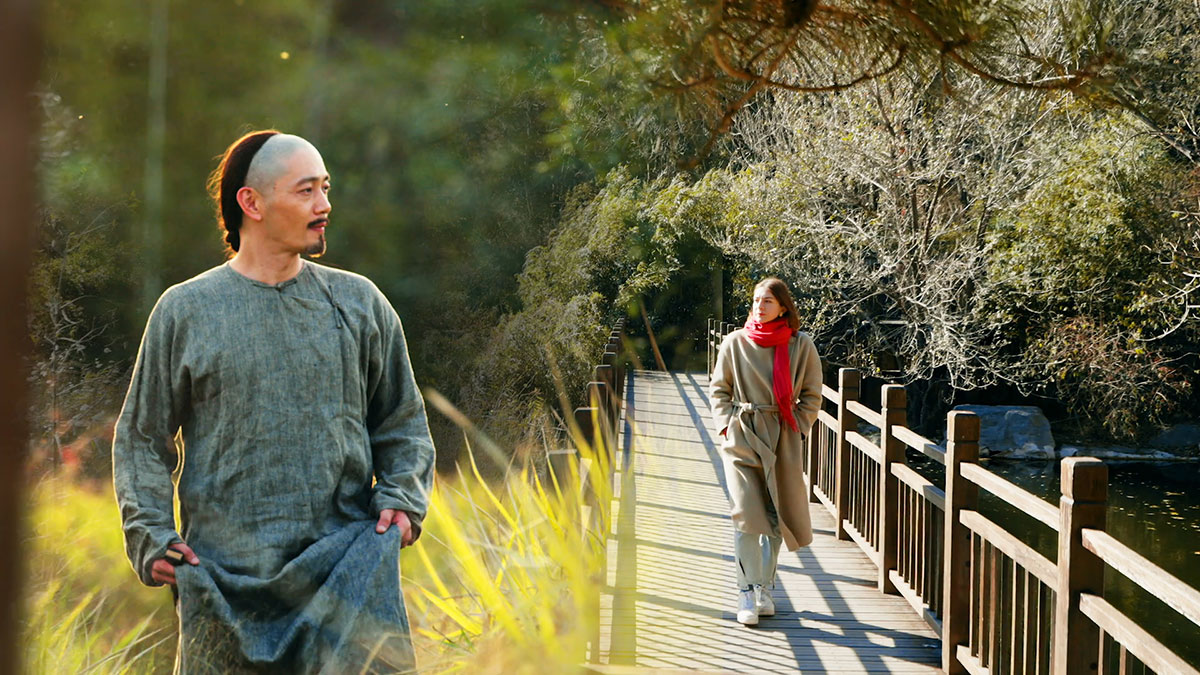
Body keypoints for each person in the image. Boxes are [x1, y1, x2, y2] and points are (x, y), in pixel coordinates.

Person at [112, 130, 436, 672]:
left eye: (325, 189)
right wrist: (150, 533)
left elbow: (402, 423)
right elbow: (142, 438)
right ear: (252, 202)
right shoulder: (185, 311)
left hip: (347, 575)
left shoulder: (361, 304)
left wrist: (402, 503)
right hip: (222, 584)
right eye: (306, 191)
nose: (324, 205)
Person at [709, 277, 823, 626]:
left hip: (781, 438)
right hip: (742, 434)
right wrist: (727, 426)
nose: (760, 306)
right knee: (745, 514)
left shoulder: (800, 345)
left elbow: (812, 395)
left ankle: (764, 588)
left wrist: (797, 427)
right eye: (757, 300)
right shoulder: (734, 342)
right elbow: (719, 390)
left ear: (783, 307)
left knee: (775, 517)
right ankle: (745, 591)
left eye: (768, 301)